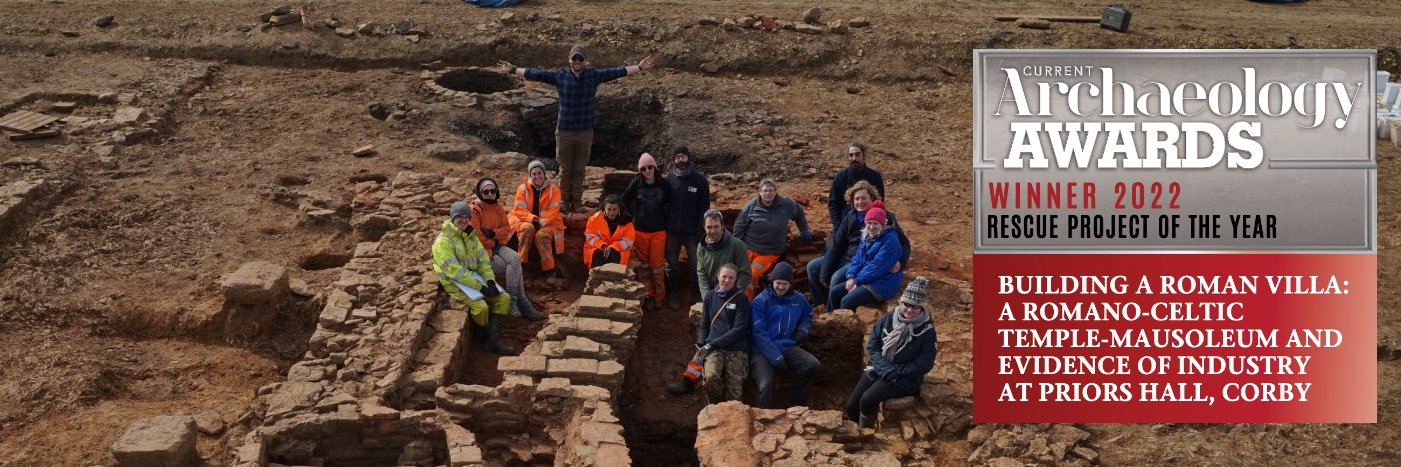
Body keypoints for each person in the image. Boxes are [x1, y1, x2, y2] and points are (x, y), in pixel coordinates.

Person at [497, 45, 657, 212]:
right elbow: (536, 74)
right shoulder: (560, 75)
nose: (577, 61)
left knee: (579, 168)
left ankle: (577, 202)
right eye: (575, 58)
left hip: (585, 131)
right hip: (564, 131)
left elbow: (616, 71)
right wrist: (512, 69)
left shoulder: (593, 75)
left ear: (585, 61)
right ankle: (564, 201)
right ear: (569, 60)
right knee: (566, 169)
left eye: (581, 58)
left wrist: (639, 67)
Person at [844, 277, 937, 429]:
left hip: (903, 378)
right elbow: (873, 346)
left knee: (867, 400)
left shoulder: (927, 332)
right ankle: (855, 433)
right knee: (851, 406)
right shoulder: (888, 318)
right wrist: (885, 369)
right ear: (901, 302)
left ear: (922, 308)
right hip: (880, 369)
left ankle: (866, 433)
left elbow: (924, 364)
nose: (909, 309)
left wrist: (895, 372)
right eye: (906, 304)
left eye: (915, 306)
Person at [806, 180, 910, 312]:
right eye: (857, 199)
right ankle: (822, 305)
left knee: (837, 277)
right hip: (850, 258)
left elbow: (903, 243)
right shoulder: (850, 217)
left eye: (863, 198)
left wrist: (901, 261)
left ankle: (836, 312)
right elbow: (837, 245)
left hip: (866, 263)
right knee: (813, 267)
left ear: (871, 199)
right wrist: (824, 271)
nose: (860, 202)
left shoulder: (885, 218)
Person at [432, 202, 516, 355]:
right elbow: (455, 272)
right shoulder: (443, 241)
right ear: (452, 218)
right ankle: (482, 337)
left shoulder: (471, 236)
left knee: (503, 298)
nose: (463, 220)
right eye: (459, 217)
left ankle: (494, 341)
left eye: (466, 217)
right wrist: (480, 287)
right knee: (481, 307)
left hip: (473, 278)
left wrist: (490, 281)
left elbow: (483, 262)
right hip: (454, 282)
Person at [670, 263, 752, 401]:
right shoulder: (709, 296)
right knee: (711, 379)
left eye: (731, 278)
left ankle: (729, 409)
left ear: (735, 279)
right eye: (724, 276)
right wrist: (702, 341)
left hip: (736, 348)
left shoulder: (741, 299)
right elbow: (704, 323)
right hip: (714, 346)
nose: (727, 280)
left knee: (735, 393)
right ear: (718, 276)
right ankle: (711, 401)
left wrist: (712, 343)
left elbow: (739, 328)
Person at [749, 262, 821, 409]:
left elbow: (807, 315)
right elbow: (758, 333)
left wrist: (802, 330)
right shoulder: (760, 301)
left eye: (785, 284)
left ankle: (796, 407)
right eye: (778, 283)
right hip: (761, 350)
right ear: (772, 281)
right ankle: (764, 417)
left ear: (790, 284)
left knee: (812, 365)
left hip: (786, 345)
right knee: (765, 385)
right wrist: (776, 357)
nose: (781, 287)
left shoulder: (799, 299)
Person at [470, 177, 544, 321]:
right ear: (480, 193)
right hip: (483, 252)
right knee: (515, 267)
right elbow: (477, 237)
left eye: (493, 191)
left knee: (515, 259)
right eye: (486, 191)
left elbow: (506, 229)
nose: (490, 194)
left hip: (497, 245)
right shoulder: (475, 210)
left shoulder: (498, 207)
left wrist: (492, 233)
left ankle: (514, 302)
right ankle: (522, 303)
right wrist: (493, 241)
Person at [733, 178, 813, 298]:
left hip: (769, 251)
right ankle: (729, 299)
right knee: (734, 270)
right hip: (748, 248)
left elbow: (799, 213)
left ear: (776, 191)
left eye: (771, 190)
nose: (768, 193)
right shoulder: (751, 206)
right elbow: (739, 226)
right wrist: (735, 248)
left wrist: (804, 230)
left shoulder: (786, 204)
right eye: (765, 190)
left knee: (751, 274)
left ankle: (745, 302)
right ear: (760, 192)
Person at [829, 200, 904, 310]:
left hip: (883, 282)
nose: (871, 227)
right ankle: (827, 322)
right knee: (834, 292)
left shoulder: (890, 240)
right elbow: (857, 259)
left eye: (875, 223)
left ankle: (845, 325)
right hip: (867, 277)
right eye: (869, 223)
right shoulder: (866, 236)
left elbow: (877, 266)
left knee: (847, 300)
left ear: (883, 223)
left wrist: (857, 281)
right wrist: (851, 277)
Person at [621, 152, 671, 310]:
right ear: (640, 171)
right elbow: (623, 201)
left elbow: (671, 204)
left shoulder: (664, 184)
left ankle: (660, 295)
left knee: (657, 265)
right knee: (643, 266)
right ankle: (647, 294)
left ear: (655, 168)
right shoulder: (636, 184)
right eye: (644, 168)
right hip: (640, 231)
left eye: (650, 167)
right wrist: (630, 218)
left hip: (659, 231)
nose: (647, 170)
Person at [665, 145, 711, 310]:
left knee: (695, 264)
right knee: (671, 264)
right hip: (672, 231)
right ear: (673, 160)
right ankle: (674, 294)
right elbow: (664, 204)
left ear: (689, 158)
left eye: (683, 156)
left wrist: (702, 230)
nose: (681, 160)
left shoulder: (700, 181)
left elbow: (704, 208)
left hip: (692, 231)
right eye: (677, 157)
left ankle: (695, 293)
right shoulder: (669, 179)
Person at [509, 160, 566, 285]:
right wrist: (533, 219)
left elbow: (554, 210)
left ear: (544, 173)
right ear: (530, 175)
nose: (537, 176)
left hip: (549, 222)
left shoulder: (554, 189)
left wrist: (541, 222)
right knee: (527, 229)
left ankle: (550, 270)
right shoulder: (522, 188)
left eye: (539, 173)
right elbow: (520, 209)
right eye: (533, 173)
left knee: (542, 236)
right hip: (526, 220)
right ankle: (522, 266)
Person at [696, 209, 750, 301]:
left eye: (716, 226)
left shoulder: (737, 245)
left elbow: (745, 274)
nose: (713, 231)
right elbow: (702, 274)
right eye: (709, 227)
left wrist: (733, 297)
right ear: (704, 227)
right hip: (712, 297)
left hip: (732, 297)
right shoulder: (701, 247)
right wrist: (707, 299)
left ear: (722, 226)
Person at [827, 140, 886, 224]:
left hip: (870, 221)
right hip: (845, 221)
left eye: (857, 155)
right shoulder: (841, 176)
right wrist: (839, 227)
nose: (854, 158)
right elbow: (833, 204)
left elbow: (879, 202)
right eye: (851, 155)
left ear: (864, 156)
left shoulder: (875, 176)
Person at [583, 194, 636, 268]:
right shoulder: (594, 219)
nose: (611, 213)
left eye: (614, 209)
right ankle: (597, 277)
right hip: (598, 248)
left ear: (619, 209)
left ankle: (614, 277)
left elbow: (628, 241)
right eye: (609, 209)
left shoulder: (627, 222)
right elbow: (590, 237)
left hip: (617, 250)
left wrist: (612, 247)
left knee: (614, 253)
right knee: (597, 253)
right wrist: (603, 246)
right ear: (604, 208)